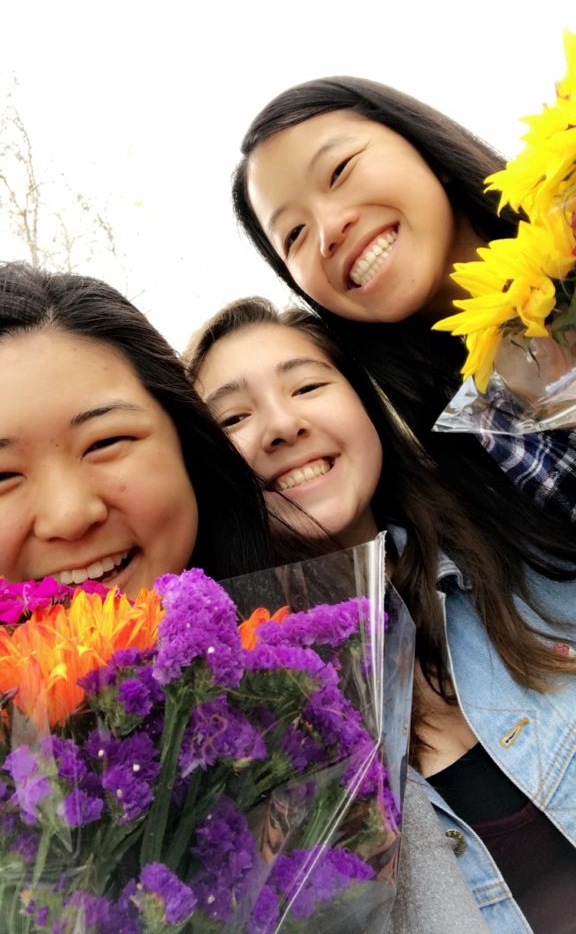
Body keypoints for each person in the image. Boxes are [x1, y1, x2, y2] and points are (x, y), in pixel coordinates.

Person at [187, 296, 576, 934]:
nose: (282, 426)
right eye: (232, 418)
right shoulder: (238, 731)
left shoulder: (533, 550)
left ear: (366, 406)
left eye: (307, 385)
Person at [230, 77, 576, 524]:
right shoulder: (462, 452)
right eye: (294, 235)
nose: (328, 231)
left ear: (427, 151)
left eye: (339, 171)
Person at [0, 262, 317, 596]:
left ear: (186, 440)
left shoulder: (332, 629)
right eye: (3, 477)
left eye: (105, 442)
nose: (70, 517)